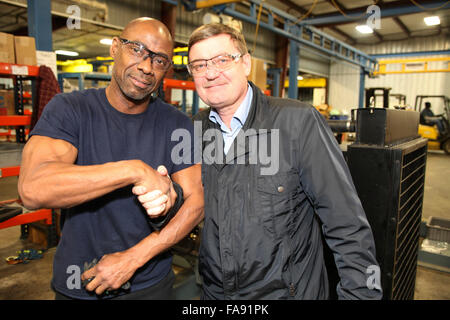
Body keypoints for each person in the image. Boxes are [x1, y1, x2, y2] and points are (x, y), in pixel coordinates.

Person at [146, 23, 383, 300]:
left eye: (222, 60)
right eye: (199, 65)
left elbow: (346, 223)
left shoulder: (297, 123)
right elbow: (184, 215)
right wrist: (163, 205)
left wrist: (360, 295)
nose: (211, 73)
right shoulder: (192, 131)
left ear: (245, 63)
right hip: (215, 294)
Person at [17, 17, 204, 300]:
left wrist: (133, 259)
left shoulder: (176, 124)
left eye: (160, 60)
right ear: (115, 48)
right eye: (137, 49)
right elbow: (32, 189)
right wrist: (134, 171)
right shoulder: (70, 109)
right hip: (80, 283)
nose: (146, 67)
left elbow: (197, 202)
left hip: (150, 285)